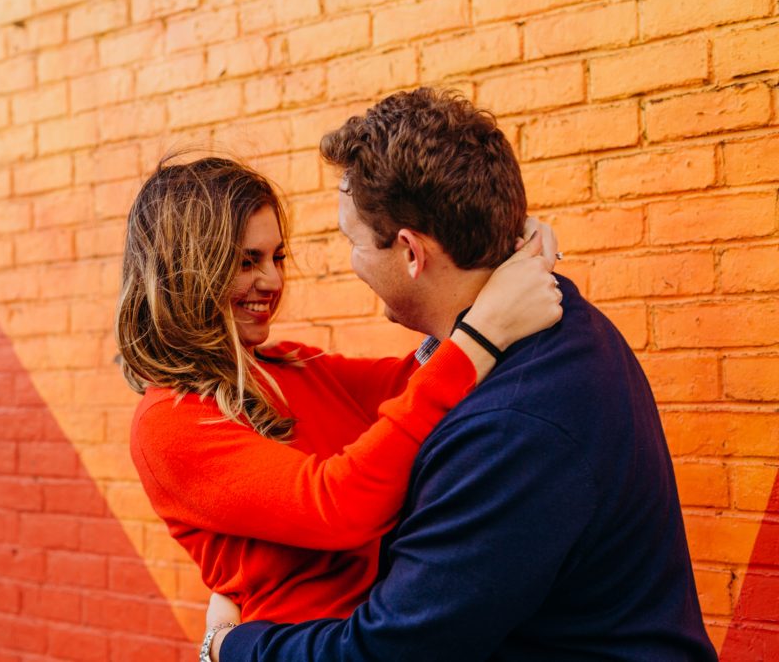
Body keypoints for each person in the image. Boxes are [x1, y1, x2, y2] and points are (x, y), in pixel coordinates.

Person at [208, 89, 718, 661]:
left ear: (410, 252)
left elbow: (388, 650)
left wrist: (232, 646)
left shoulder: (509, 427)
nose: (350, 262)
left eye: (353, 242)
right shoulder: (552, 322)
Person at [115, 155, 563, 628]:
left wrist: (502, 260)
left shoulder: (290, 364)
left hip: (392, 632)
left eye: (277, 257)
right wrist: (485, 328)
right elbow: (337, 506)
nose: (271, 280)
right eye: (247, 261)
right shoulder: (171, 422)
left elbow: (413, 383)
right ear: (186, 272)